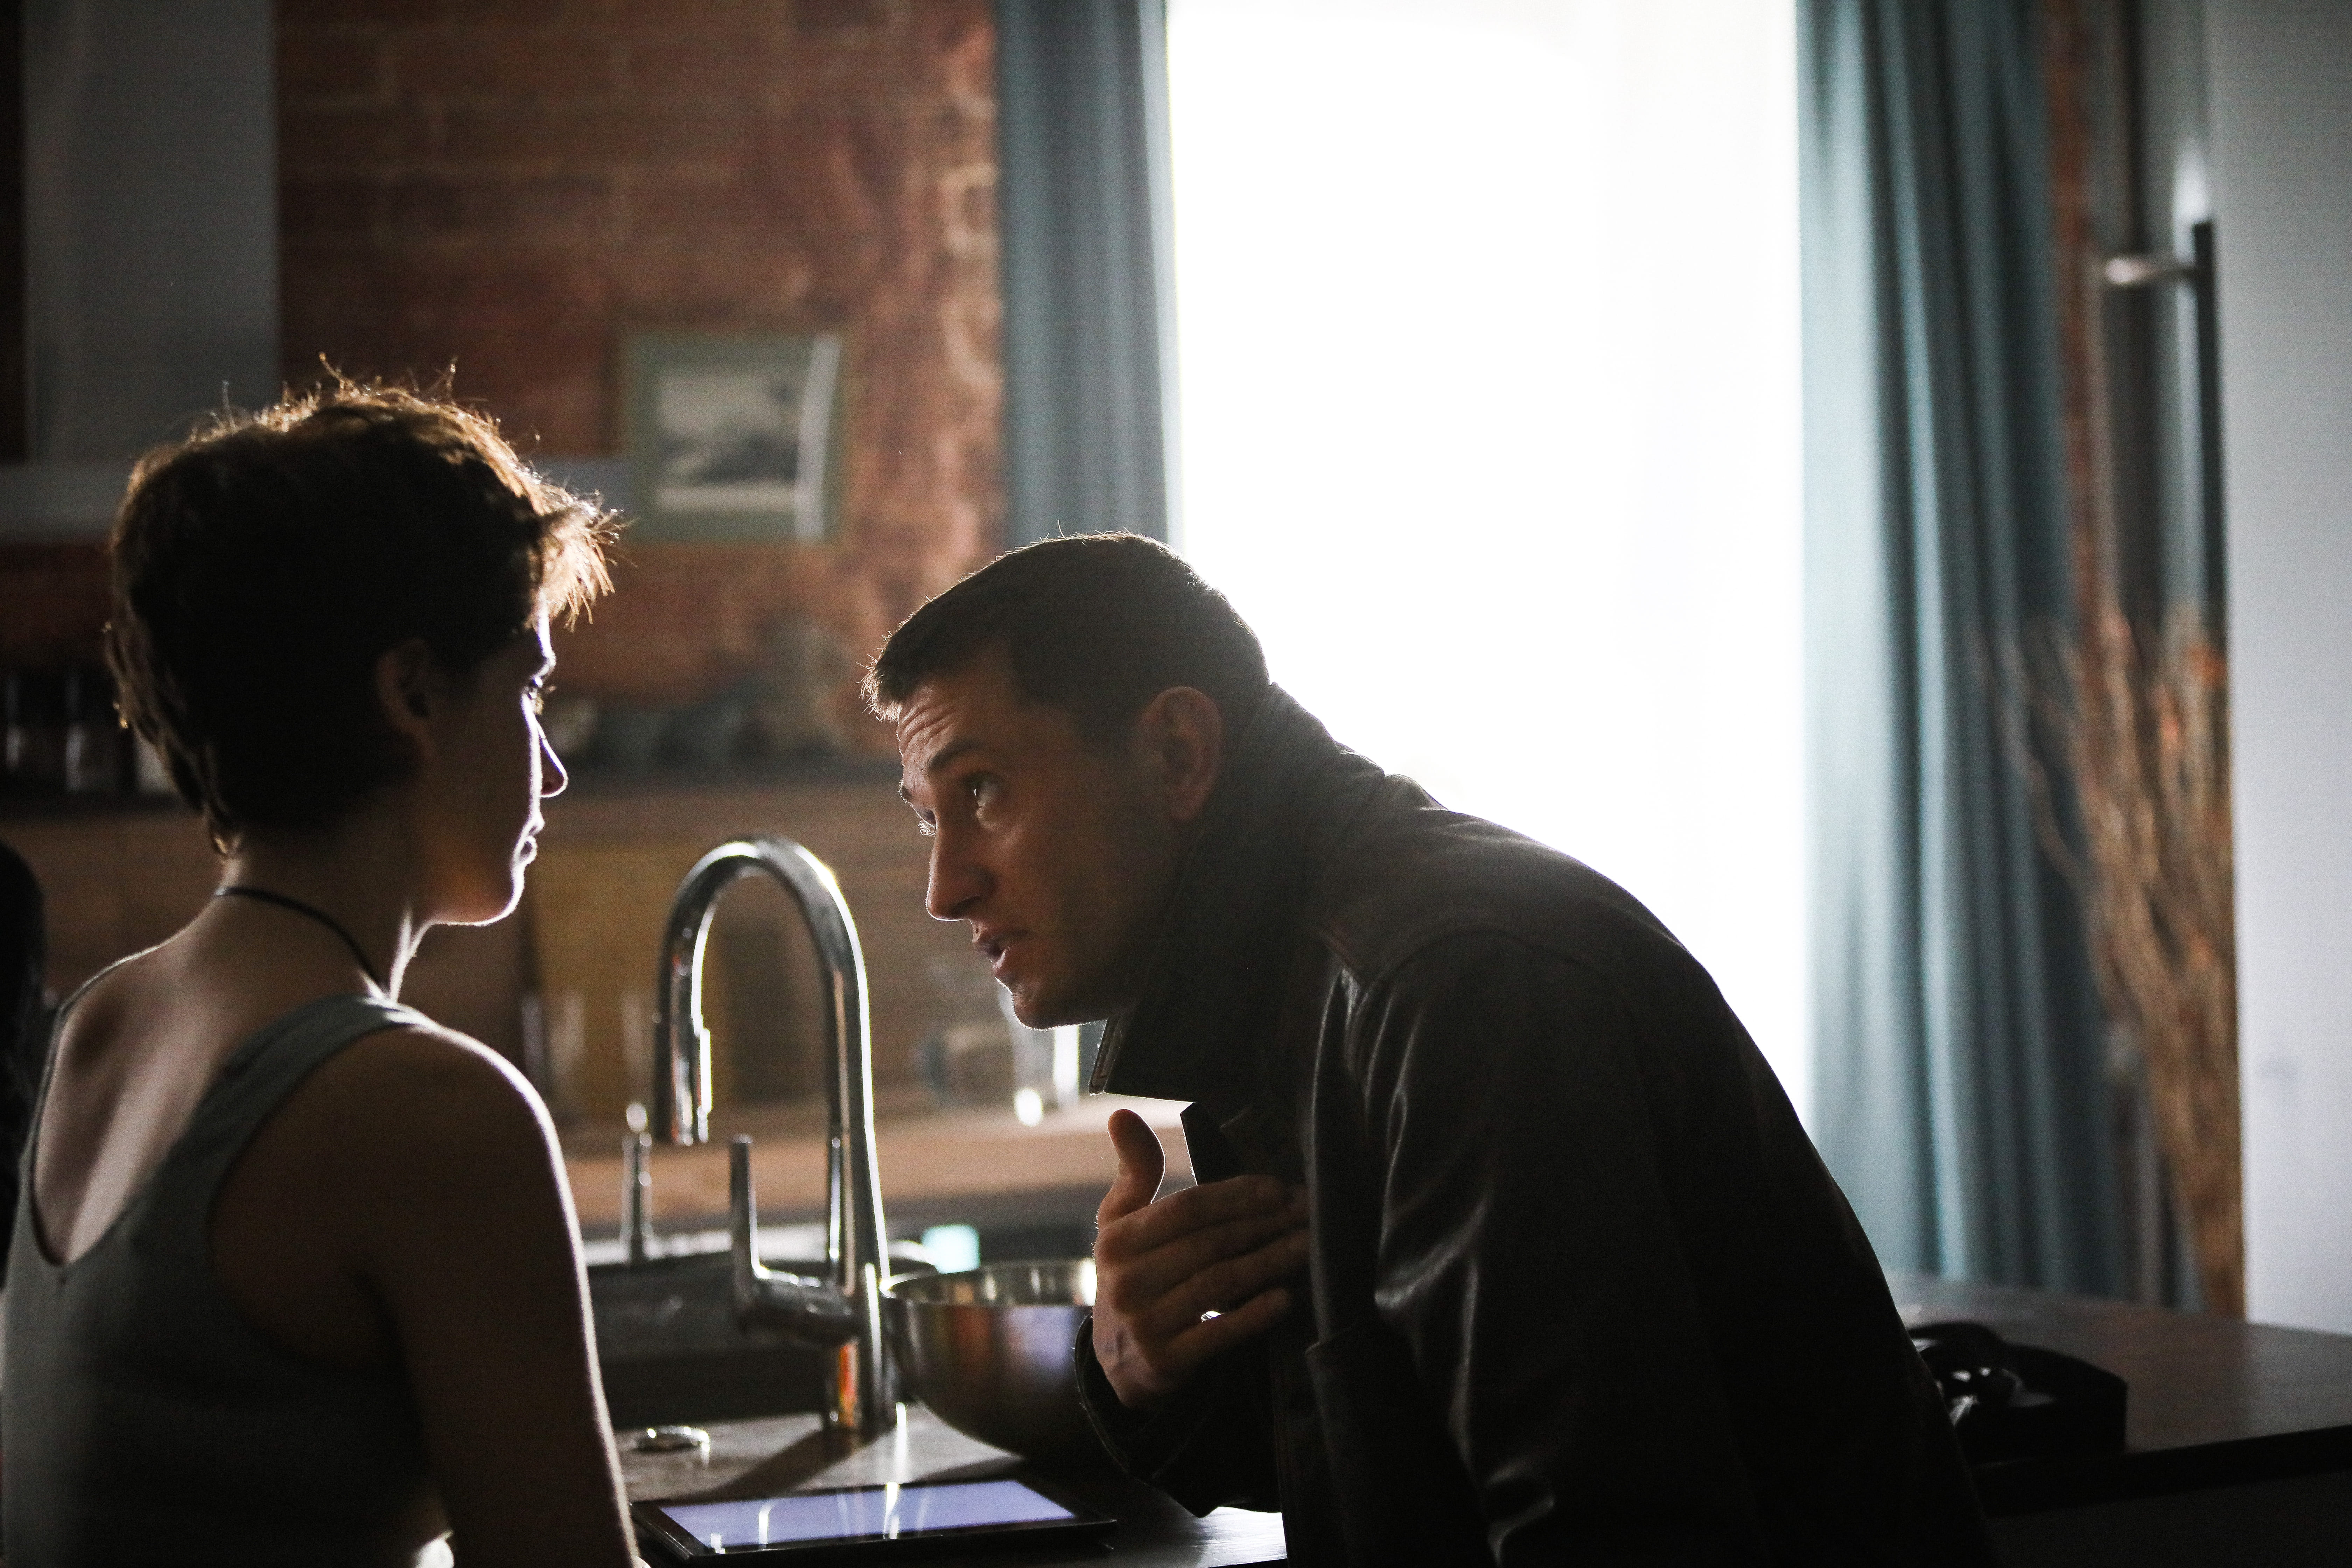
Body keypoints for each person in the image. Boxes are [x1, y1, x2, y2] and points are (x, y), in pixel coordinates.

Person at [869, 534, 1995, 1566]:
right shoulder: (1310, 978)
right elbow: (1405, 1464)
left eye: (983, 790)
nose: (943, 886)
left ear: (1176, 754)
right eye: (929, 816)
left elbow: (1606, 1529)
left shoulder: (1458, 988)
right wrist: (1144, 1374)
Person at [1, 387, 637, 1567]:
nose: (551, 768)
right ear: (412, 695)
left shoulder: (103, 1023)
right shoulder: (430, 1112)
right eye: (530, 688)